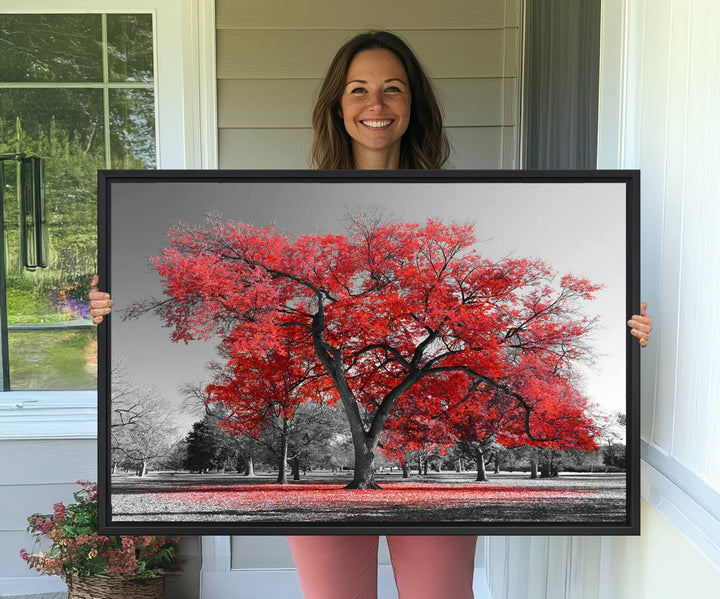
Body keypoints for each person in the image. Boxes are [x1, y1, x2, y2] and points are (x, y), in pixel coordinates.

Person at [89, 31, 653, 599]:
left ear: (413, 104)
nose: (376, 105)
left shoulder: (463, 198)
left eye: (392, 89)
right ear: (338, 104)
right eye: (358, 89)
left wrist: (626, 332)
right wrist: (105, 313)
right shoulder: (289, 194)